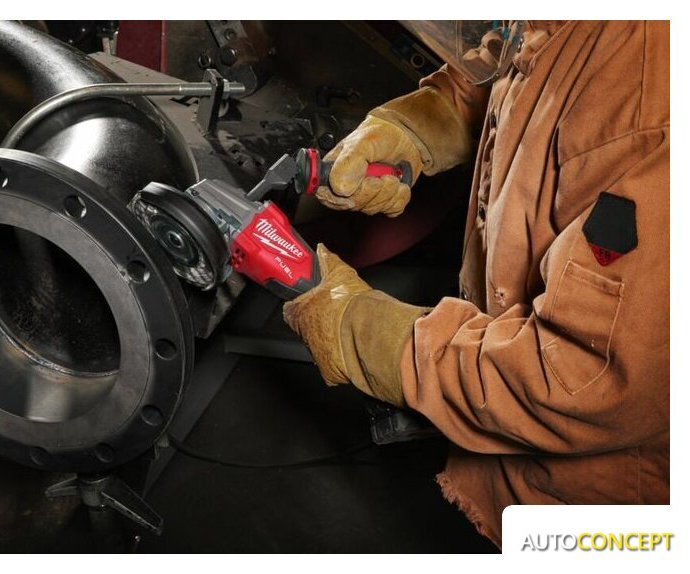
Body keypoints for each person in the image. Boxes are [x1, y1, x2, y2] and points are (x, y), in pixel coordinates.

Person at [283, 20, 669, 548]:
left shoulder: (657, 100)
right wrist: (419, 124)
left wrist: (366, 334)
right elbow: (519, 58)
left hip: (602, 516)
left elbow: (585, 376)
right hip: (511, 458)